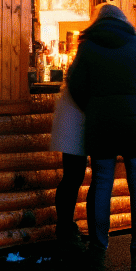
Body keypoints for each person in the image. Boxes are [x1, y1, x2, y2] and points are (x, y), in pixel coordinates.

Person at [67, 3, 136, 271]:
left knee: (101, 184)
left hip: (101, 125)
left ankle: (98, 248)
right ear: (124, 20)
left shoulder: (87, 46)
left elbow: (74, 85)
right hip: (135, 125)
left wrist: (92, 107)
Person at [49, 80, 91, 255]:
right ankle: (66, 229)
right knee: (74, 176)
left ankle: (65, 228)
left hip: (75, 120)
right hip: (76, 121)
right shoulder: (90, 58)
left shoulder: (84, 60)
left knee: (73, 176)